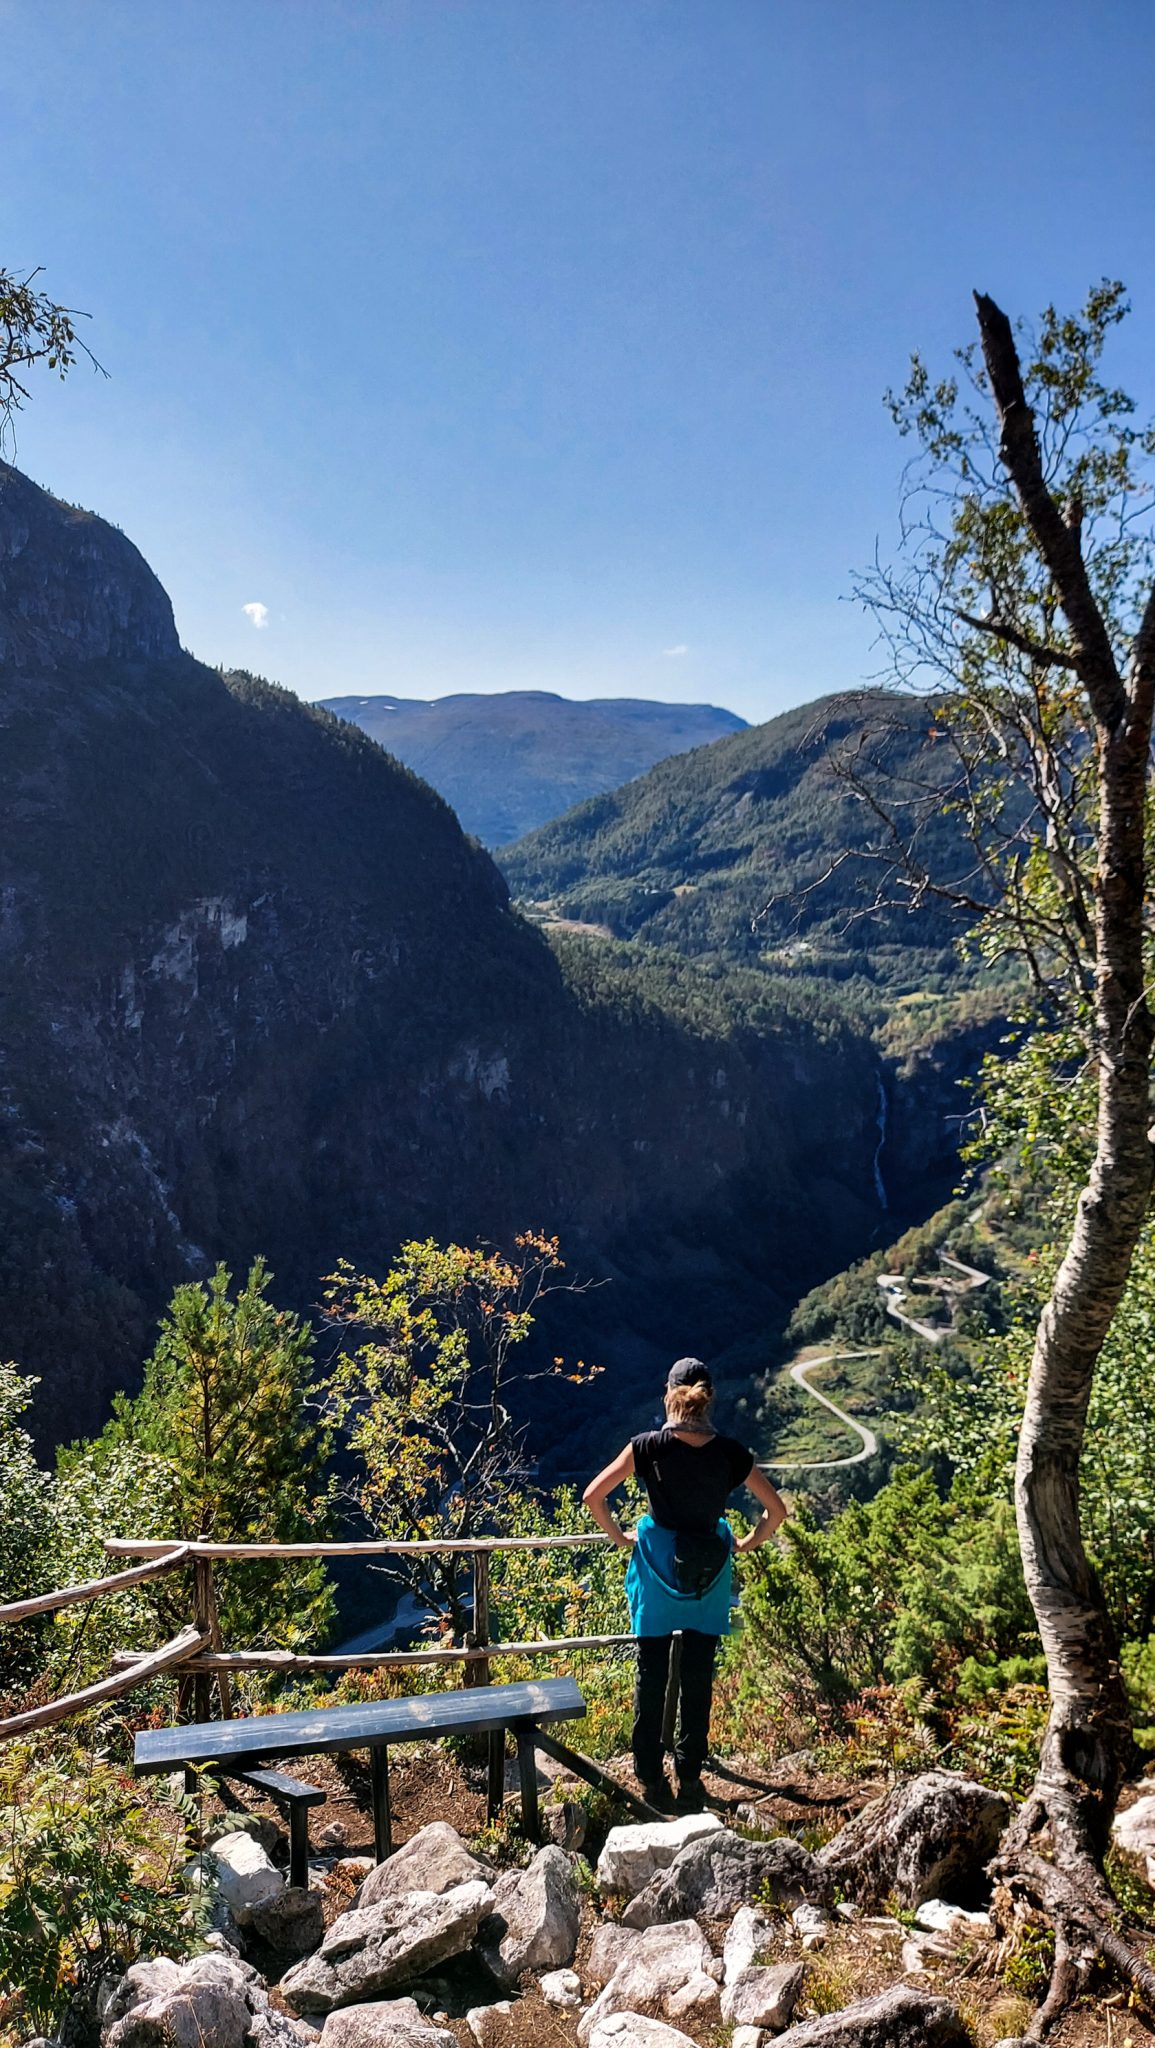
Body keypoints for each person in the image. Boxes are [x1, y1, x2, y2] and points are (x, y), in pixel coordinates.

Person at [582, 1356, 787, 1813]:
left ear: (669, 1395)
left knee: (651, 1673)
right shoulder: (732, 1454)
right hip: (708, 1578)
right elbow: (777, 1511)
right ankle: (690, 1778)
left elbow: (593, 1496)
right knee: (697, 1677)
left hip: (658, 1573)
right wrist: (746, 1543)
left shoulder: (647, 1447)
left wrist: (620, 1537)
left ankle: (650, 1778)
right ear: (708, 1400)